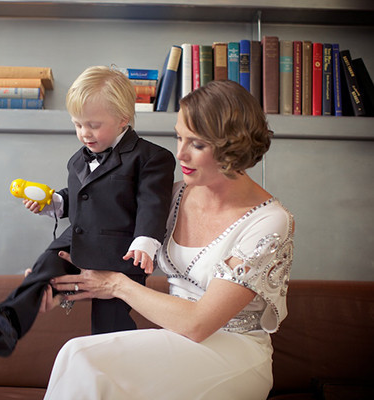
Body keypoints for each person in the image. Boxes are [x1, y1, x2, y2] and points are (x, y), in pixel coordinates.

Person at [43, 79, 295, 400]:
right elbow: (102, 231)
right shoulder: (173, 195)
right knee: (76, 354)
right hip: (177, 341)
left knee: (84, 359)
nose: (181, 154)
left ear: (232, 146)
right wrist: (55, 276)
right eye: (179, 137)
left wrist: (116, 285)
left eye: (197, 144)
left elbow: (199, 324)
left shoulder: (269, 221)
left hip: (234, 352)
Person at [0, 65, 176, 357]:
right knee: (42, 273)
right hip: (74, 243)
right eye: (77, 125)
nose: (84, 133)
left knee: (110, 327)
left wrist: (146, 240)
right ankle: (7, 324)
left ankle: (118, 365)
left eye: (93, 125)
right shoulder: (78, 160)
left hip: (118, 256)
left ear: (123, 119)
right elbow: (83, 196)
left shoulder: (151, 158)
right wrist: (55, 202)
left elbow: (153, 202)